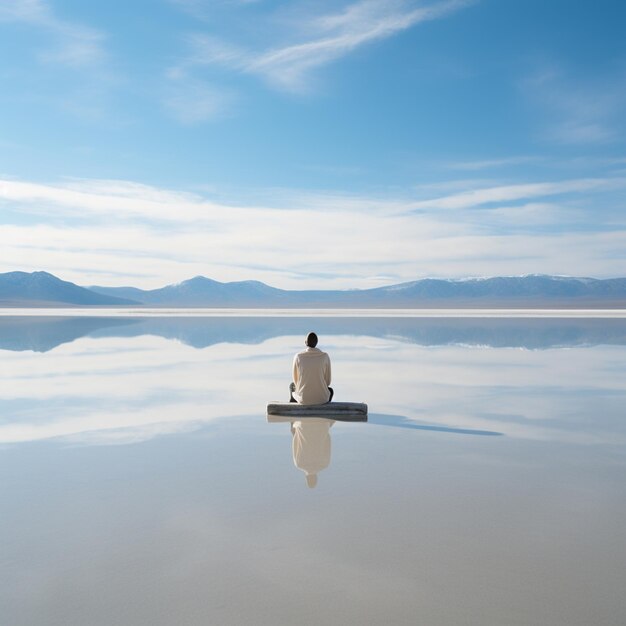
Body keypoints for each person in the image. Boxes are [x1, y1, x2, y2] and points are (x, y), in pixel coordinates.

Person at [289, 332, 333, 404]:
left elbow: (296, 381)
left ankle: (294, 406)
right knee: (330, 390)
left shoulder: (298, 357)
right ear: (317, 343)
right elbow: (328, 382)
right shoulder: (325, 356)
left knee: (292, 386)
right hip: (321, 399)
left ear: (305, 343)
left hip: (303, 399)